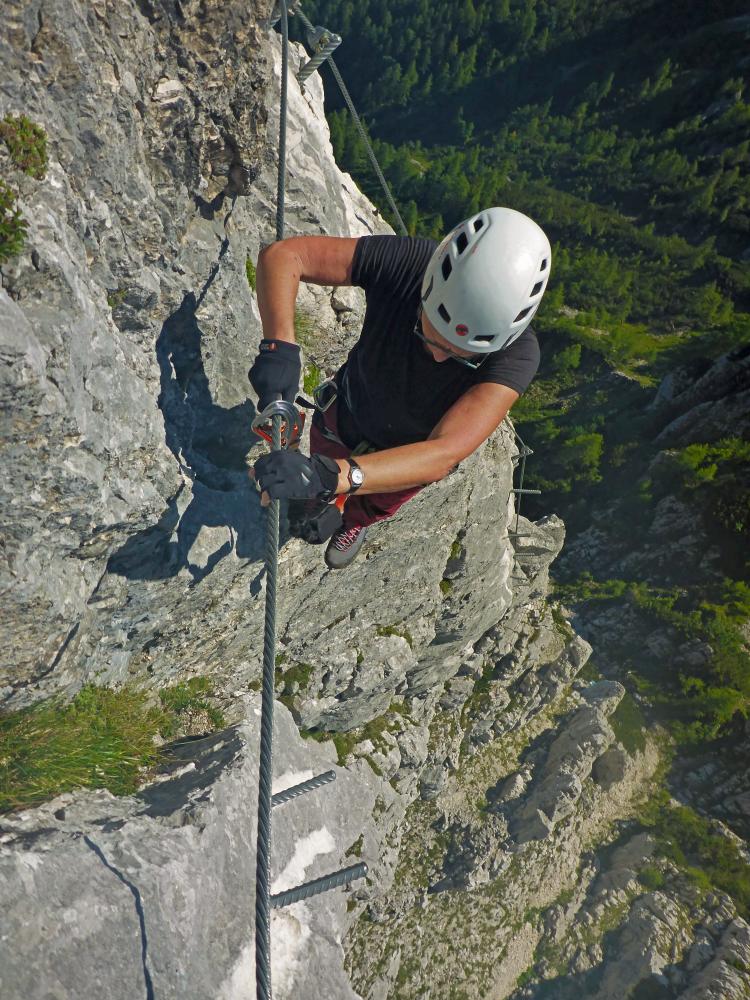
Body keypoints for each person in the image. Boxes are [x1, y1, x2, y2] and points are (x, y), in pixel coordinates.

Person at [250, 206, 551, 569]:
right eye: (430, 335)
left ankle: (355, 521)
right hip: (348, 412)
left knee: (377, 500)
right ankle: (326, 497)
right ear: (427, 289)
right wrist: (280, 349)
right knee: (327, 457)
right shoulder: (407, 262)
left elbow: (443, 452)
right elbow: (285, 256)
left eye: (464, 355)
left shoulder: (517, 355)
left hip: (409, 457)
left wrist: (338, 476)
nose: (441, 357)